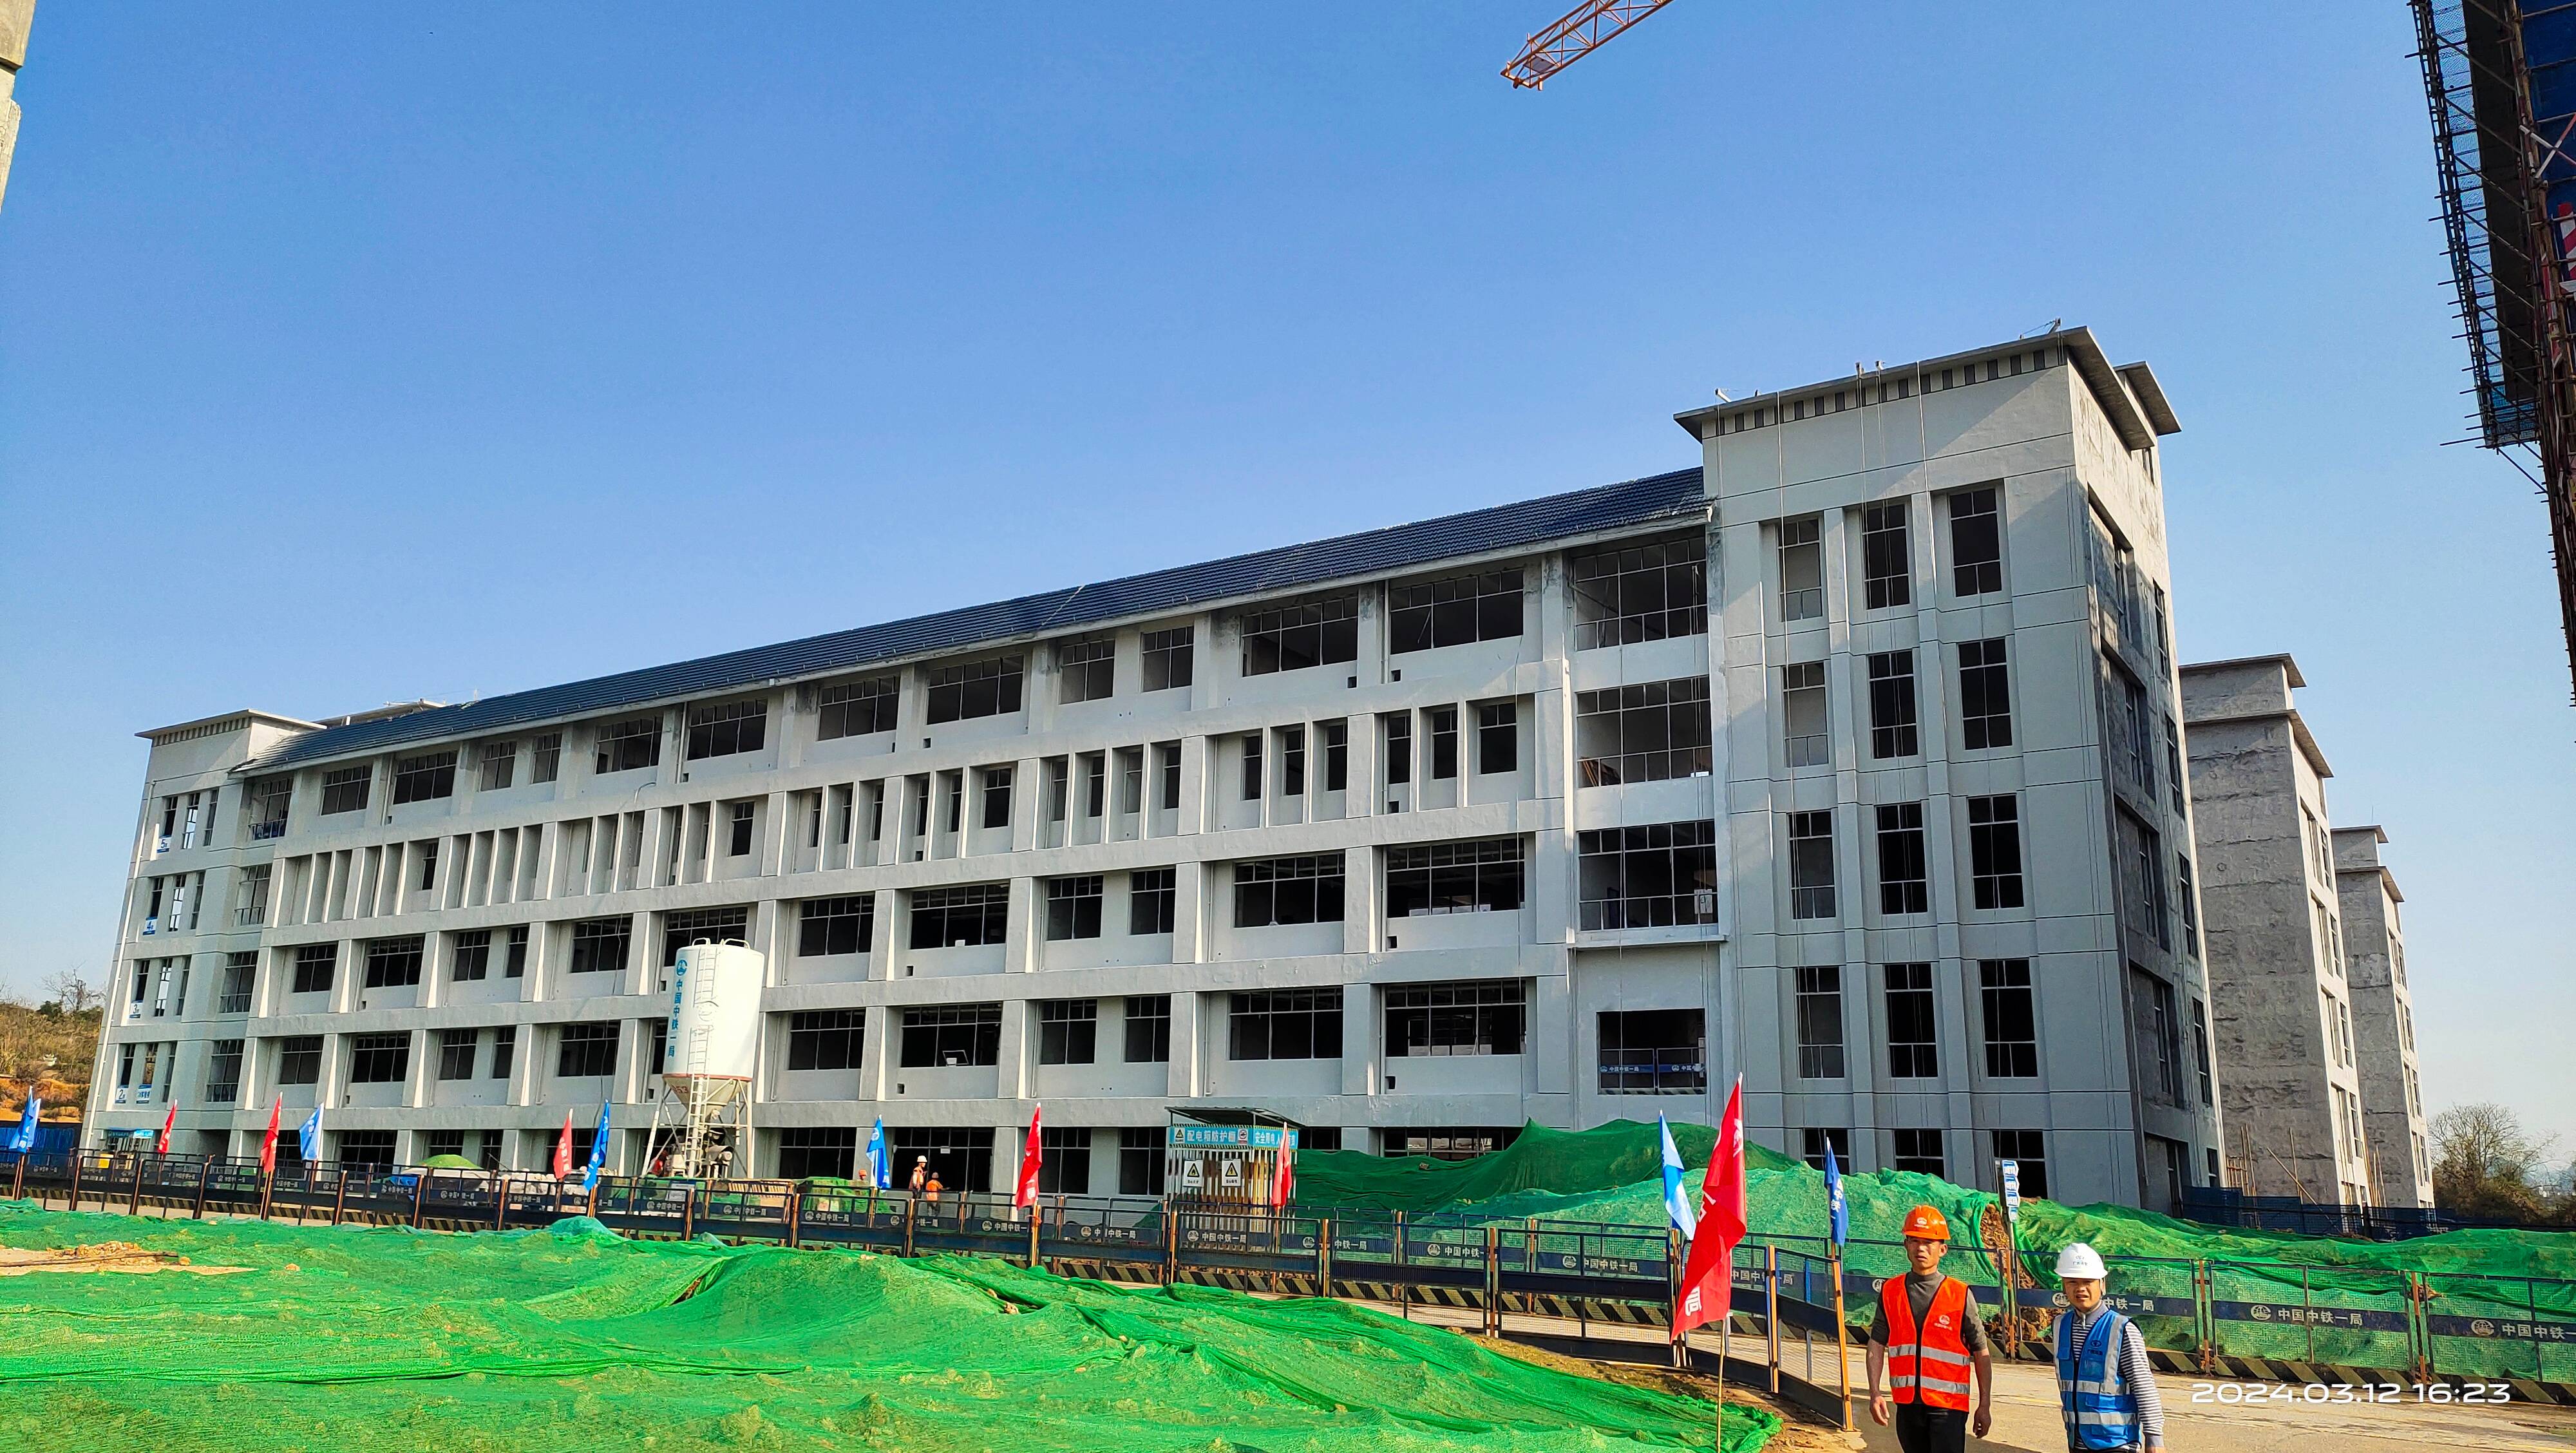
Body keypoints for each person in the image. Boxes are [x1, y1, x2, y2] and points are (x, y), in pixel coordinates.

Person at [1866, 1204, 1995, 1453]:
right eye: (1914, 1241)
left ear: (1942, 1249)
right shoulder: (1891, 1291)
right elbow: (1877, 1344)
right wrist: (1875, 1393)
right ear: (1906, 1245)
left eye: (1928, 1242)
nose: (1920, 1248)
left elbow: (1981, 1352)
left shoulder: (1959, 1295)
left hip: (1948, 1407)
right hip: (1907, 1406)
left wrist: (1985, 1404)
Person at [2052, 1243, 2165, 1452]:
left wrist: (2154, 1438)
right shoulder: (2061, 1326)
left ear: (2102, 1285)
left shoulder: (2122, 1329)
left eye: (2088, 1282)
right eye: (2072, 1282)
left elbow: (2144, 1386)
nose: (2080, 1289)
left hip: (2117, 1442)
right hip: (2076, 1441)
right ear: (2063, 1285)